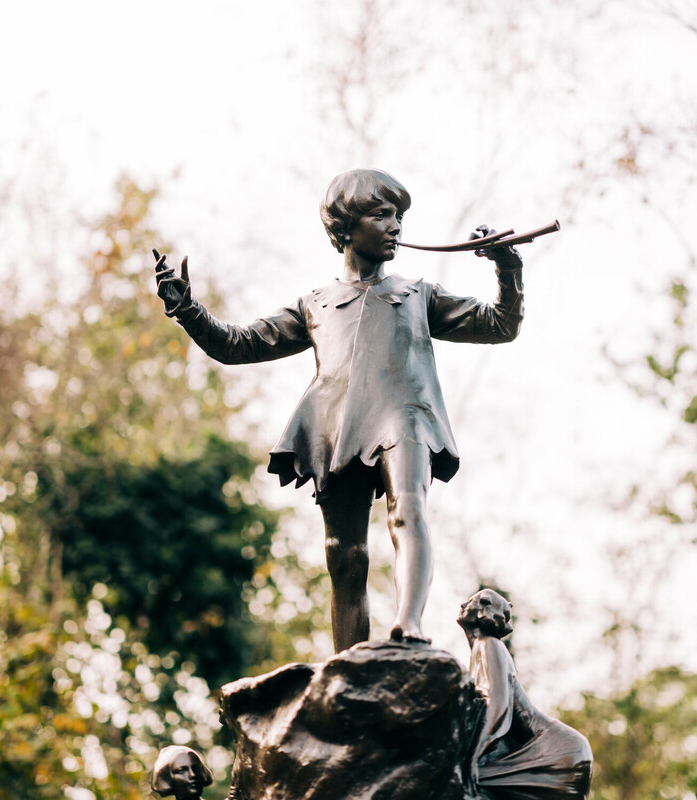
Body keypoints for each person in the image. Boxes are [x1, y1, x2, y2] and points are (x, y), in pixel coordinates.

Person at [154, 168, 523, 651]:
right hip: (336, 423)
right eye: (382, 215)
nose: (396, 226)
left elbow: (500, 324)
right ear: (347, 227)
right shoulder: (316, 304)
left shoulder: (417, 294)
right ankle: (348, 663)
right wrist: (188, 310)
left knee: (408, 508)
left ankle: (408, 626)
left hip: (405, 416)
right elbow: (237, 345)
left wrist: (506, 268)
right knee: (343, 554)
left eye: (399, 217)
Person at [458, 589, 593, 800]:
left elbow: (498, 708)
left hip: (557, 753)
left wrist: (472, 757)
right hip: (564, 750)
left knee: (460, 778)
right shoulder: (483, 648)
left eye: (472, 601)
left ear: (484, 610)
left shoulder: (489, 645)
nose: (463, 605)